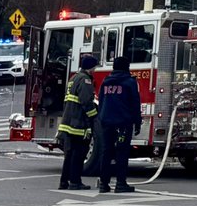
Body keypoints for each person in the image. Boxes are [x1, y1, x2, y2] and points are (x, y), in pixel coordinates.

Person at [97, 55, 141, 193]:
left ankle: (104, 184)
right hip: (123, 123)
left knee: (106, 151)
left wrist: (101, 119)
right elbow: (135, 103)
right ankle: (121, 183)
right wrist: (137, 122)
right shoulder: (130, 82)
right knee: (122, 152)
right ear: (127, 67)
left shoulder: (106, 82)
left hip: (106, 122)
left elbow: (101, 101)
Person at [58, 54, 99, 190]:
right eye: (94, 68)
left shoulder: (73, 78)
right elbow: (86, 102)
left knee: (69, 154)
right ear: (90, 68)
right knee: (79, 154)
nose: (95, 70)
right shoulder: (85, 80)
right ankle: (75, 182)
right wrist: (94, 118)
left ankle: (64, 182)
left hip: (68, 122)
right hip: (78, 124)